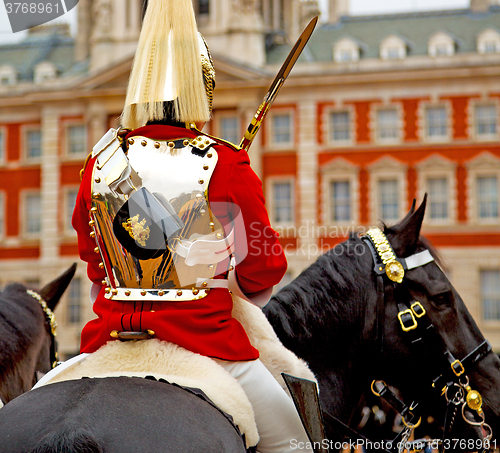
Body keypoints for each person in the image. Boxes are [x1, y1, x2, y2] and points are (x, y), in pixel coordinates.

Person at [72, 0, 313, 451]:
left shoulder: (98, 164)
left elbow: (95, 262)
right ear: (202, 94)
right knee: (295, 444)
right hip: (204, 339)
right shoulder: (224, 162)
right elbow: (264, 267)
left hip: (109, 338)